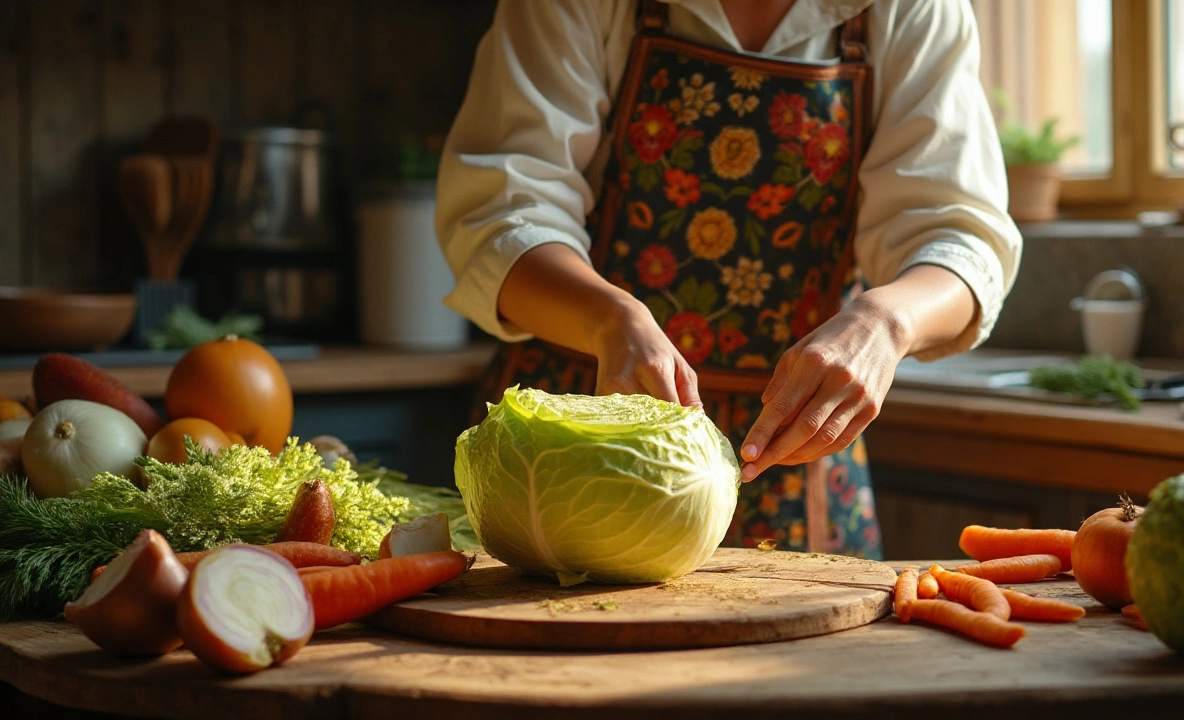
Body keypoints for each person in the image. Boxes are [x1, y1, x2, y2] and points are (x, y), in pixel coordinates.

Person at [435, 0, 1022, 558]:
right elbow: (502, 215)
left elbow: (960, 239)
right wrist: (610, 319)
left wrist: (886, 323)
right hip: (571, 442)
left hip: (800, 454)